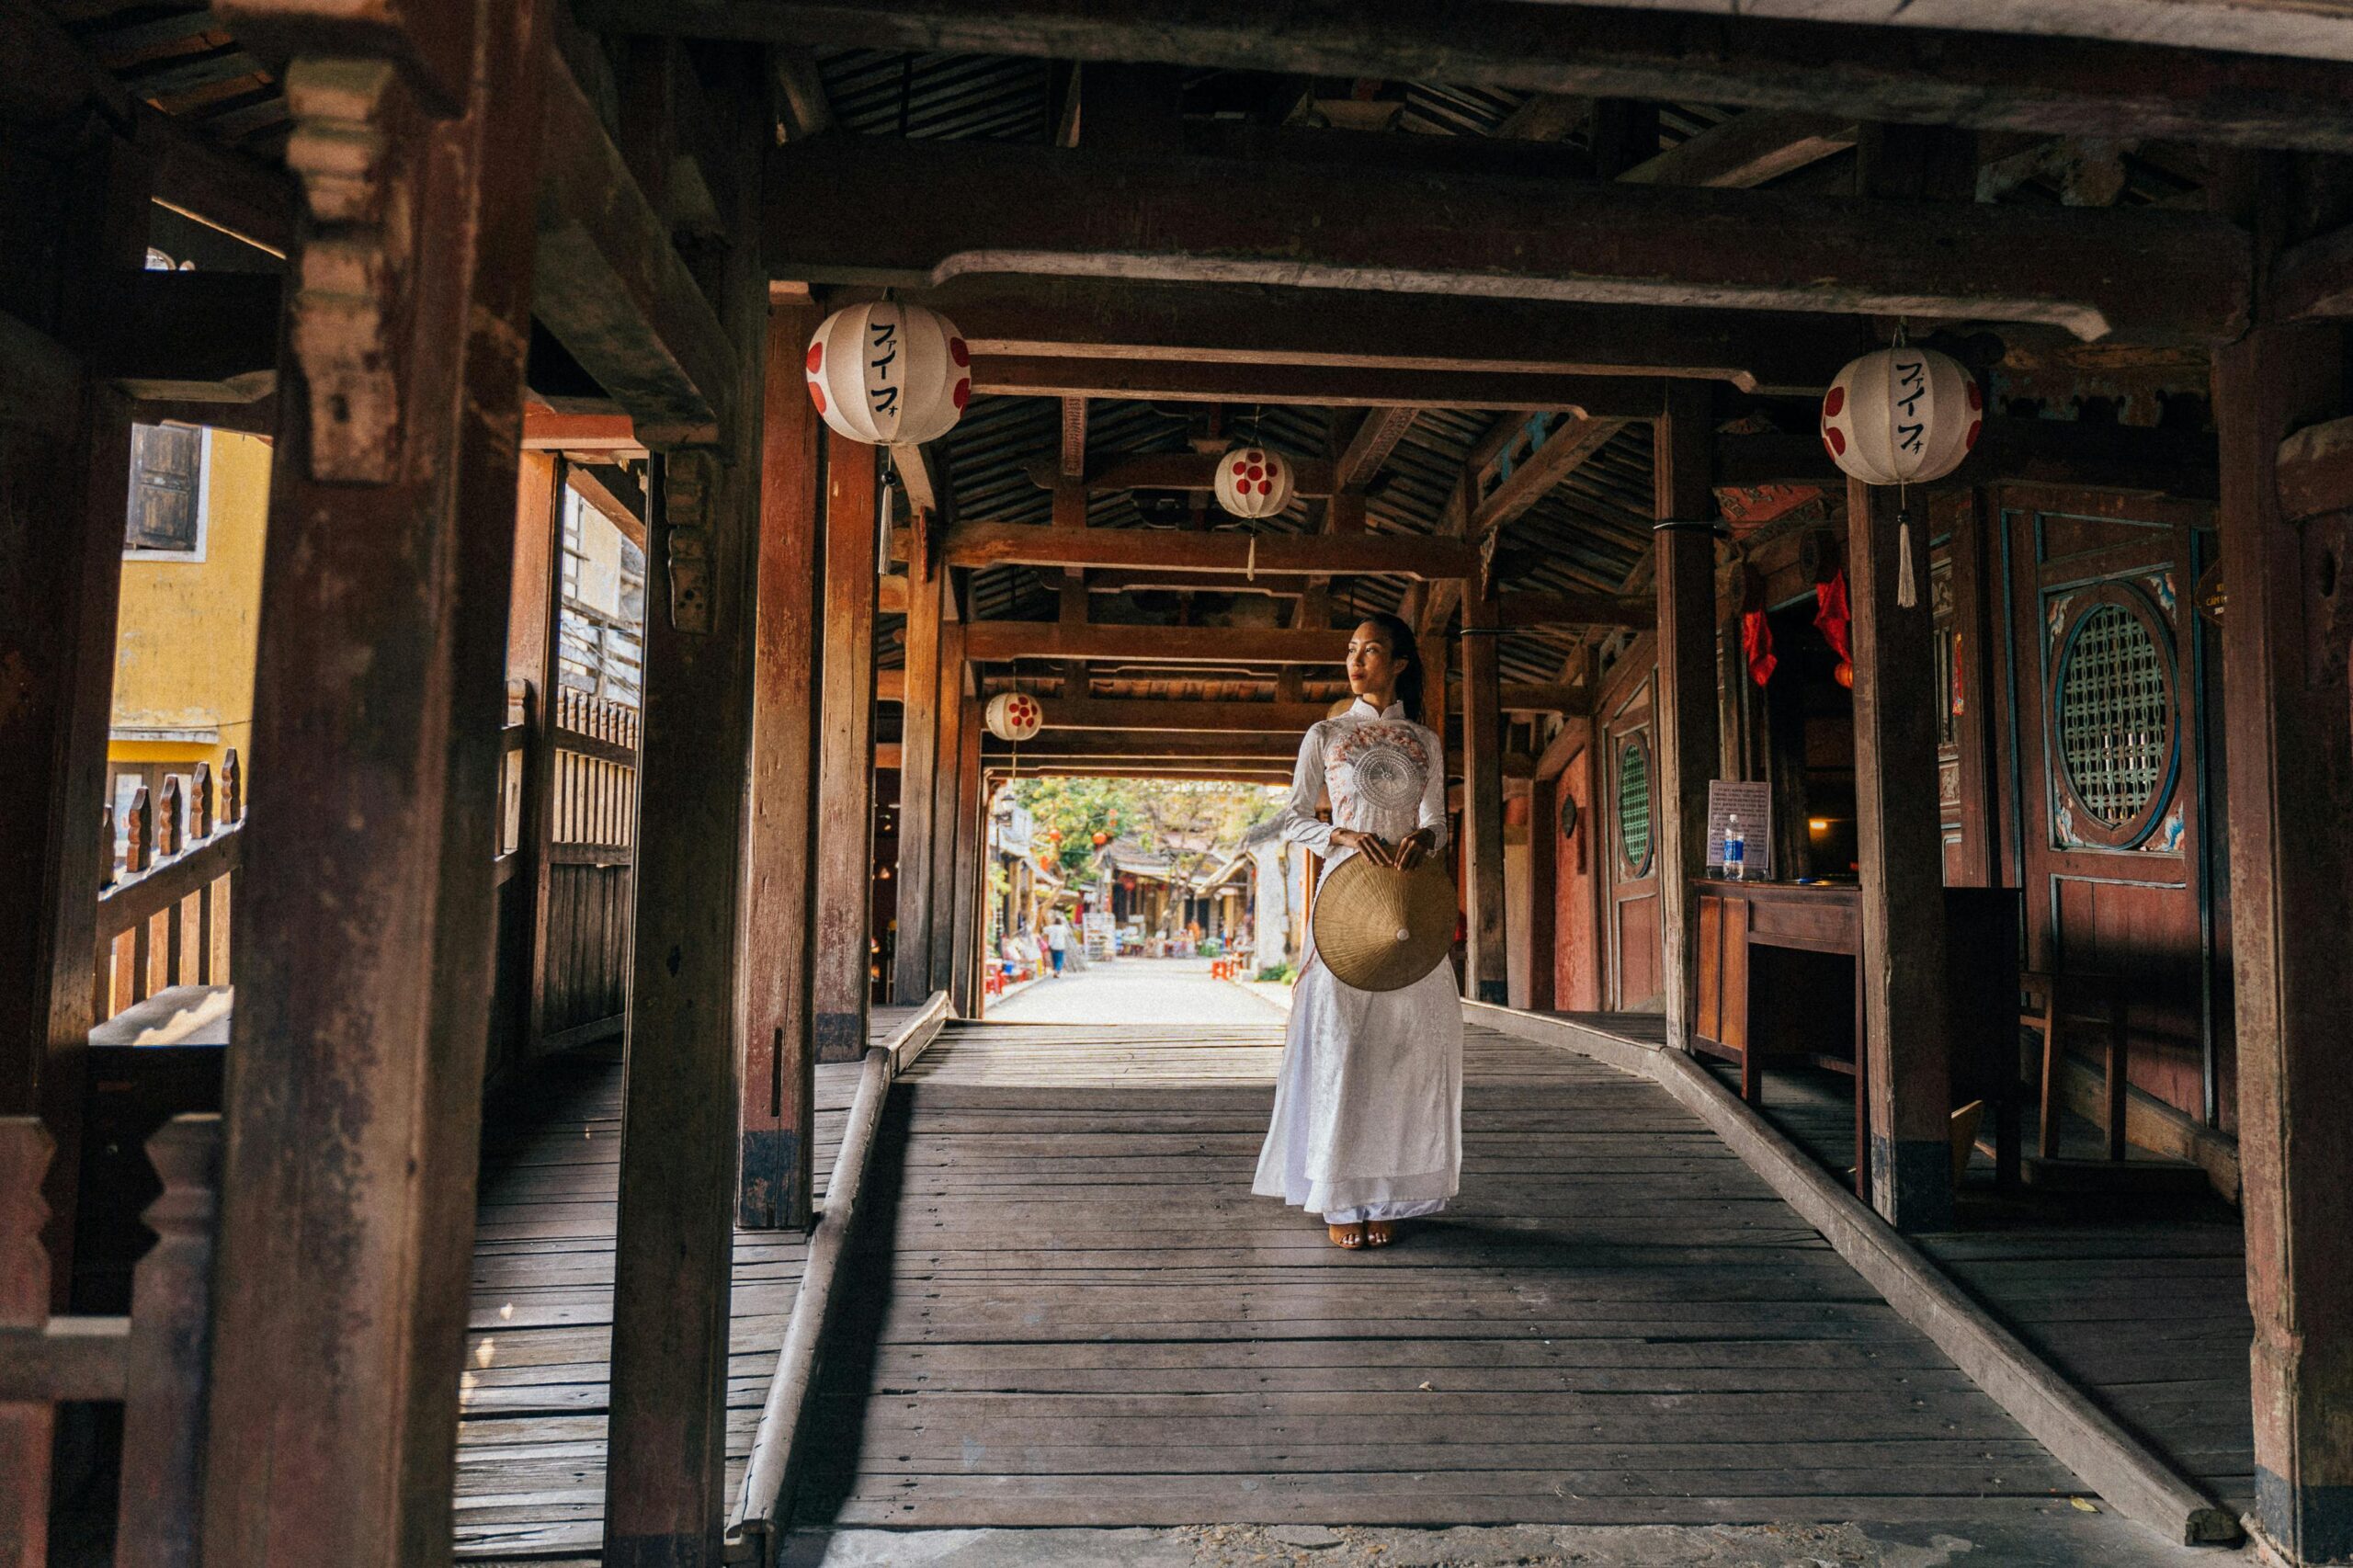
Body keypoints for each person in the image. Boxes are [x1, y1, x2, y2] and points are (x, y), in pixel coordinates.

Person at [1253, 613, 1463, 1251]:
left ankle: (1387, 1188)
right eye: (1351, 649)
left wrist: (1426, 838)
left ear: (1399, 662)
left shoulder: (1422, 739)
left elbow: (1440, 822)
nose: (1357, 659)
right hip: (1346, 895)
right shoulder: (1326, 734)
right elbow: (1292, 818)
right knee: (1340, 1041)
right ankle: (1340, 1192)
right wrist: (1339, 834)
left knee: (1406, 1046)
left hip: (1407, 900)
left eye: (1372, 650)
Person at [1044, 912, 1070, 977]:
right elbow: (1067, 933)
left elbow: (1045, 930)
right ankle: (1057, 971)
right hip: (1061, 946)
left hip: (1053, 946)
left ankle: (1055, 970)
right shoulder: (1063, 928)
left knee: (1054, 959)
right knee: (1060, 959)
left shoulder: (1051, 927)